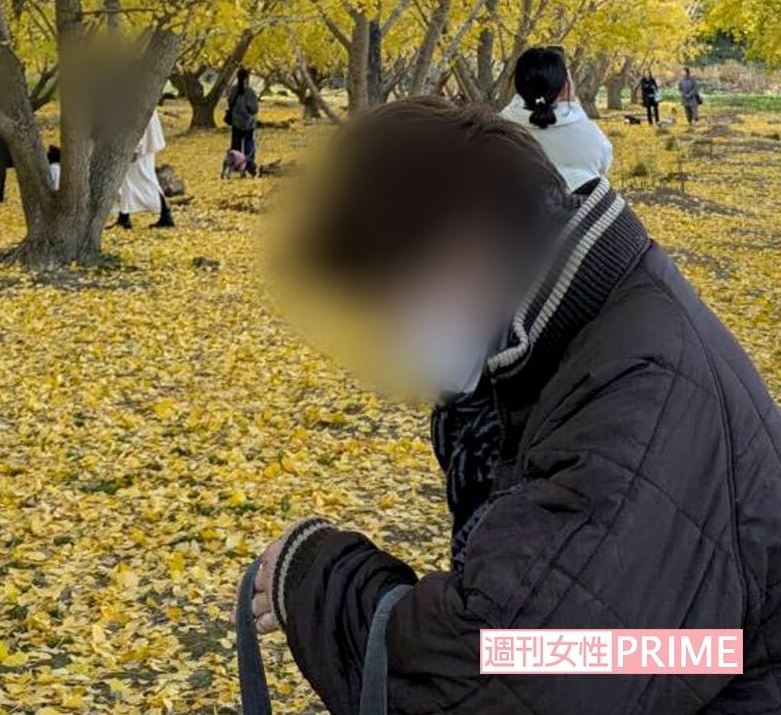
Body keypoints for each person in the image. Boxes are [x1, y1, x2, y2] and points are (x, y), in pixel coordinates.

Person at [253, 99, 781, 712]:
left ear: (468, 241)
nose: (387, 328)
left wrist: (323, 583)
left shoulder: (632, 390)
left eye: (388, 296)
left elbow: (504, 676)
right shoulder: (588, 331)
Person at [499, 44, 612, 189]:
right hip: (577, 210)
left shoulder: (498, 130)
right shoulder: (591, 136)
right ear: (565, 87)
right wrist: (573, 108)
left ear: (518, 87)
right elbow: (604, 164)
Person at [116, 109, 175, 230]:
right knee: (127, 180)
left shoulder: (139, 97)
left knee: (145, 177)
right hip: (138, 143)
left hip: (141, 145)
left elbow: (139, 122)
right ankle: (124, 216)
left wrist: (136, 147)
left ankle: (166, 213)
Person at [225, 66, 261, 177]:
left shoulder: (233, 90)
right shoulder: (250, 92)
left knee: (236, 144)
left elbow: (230, 102)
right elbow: (254, 109)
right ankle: (248, 164)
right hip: (248, 123)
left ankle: (236, 165)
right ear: (247, 78)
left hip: (236, 122)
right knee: (249, 144)